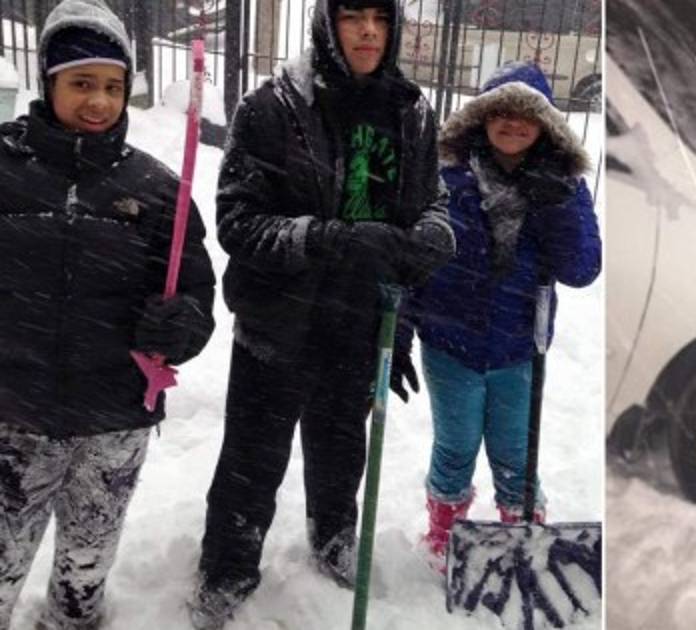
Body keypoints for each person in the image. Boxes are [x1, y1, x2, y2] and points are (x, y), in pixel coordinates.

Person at [188, 0, 453, 626]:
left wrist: (431, 239)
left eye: (380, 19)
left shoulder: (411, 112)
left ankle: (334, 538)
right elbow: (237, 221)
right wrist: (327, 238)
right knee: (252, 461)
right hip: (279, 322)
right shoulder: (273, 108)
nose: (368, 32)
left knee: (341, 451)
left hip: (359, 323)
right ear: (326, 26)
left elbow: (431, 204)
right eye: (353, 17)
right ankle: (226, 570)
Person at [0, 0, 216, 628]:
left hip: (112, 423)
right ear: (49, 83)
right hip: (12, 419)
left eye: (113, 87)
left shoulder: (157, 190)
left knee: (84, 573)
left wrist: (180, 325)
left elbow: (196, 293)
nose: (98, 101)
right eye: (82, 83)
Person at [397, 61, 601, 572]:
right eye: (501, 113)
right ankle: (444, 535)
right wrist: (402, 324)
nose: (512, 124)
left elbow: (581, 269)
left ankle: (522, 535)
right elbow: (414, 258)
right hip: (450, 341)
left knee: (516, 452)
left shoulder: (563, 186)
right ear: (481, 119)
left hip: (519, 345)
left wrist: (556, 205)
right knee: (456, 445)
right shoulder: (446, 178)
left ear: (546, 126)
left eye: (526, 115)